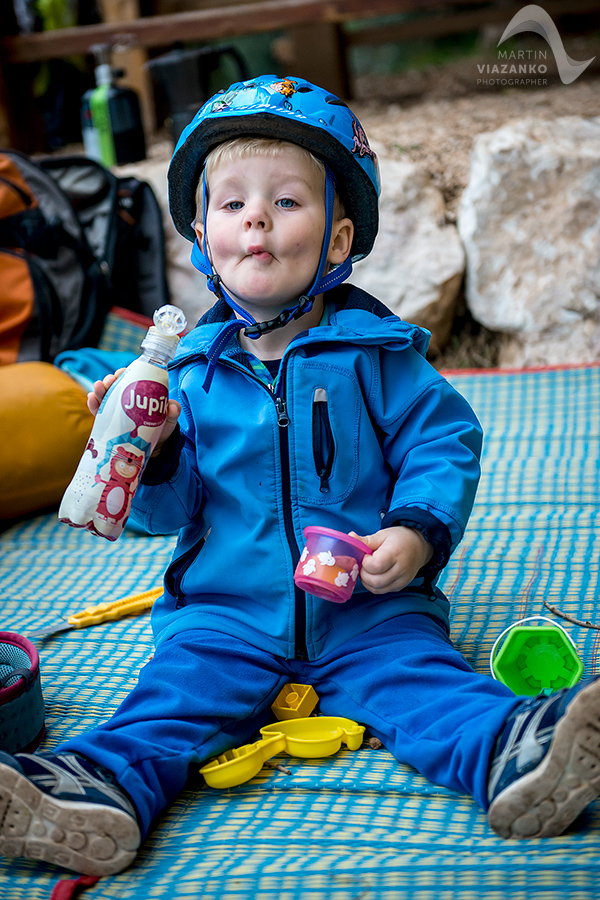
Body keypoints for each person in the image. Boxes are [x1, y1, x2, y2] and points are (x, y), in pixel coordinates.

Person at [1, 75, 600, 877]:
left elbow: (445, 438)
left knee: (425, 686)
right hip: (225, 612)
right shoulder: (183, 379)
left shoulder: (377, 357)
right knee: (170, 701)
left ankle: (515, 753)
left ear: (340, 241)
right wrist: (158, 452)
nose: (255, 218)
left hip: (367, 605)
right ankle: (96, 787)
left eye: (286, 202)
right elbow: (165, 513)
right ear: (202, 235)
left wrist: (416, 533)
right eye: (233, 203)